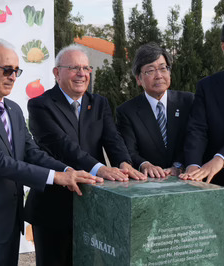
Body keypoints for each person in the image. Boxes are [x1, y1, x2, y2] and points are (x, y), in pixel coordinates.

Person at [0, 39, 102, 266]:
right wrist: (56, 177)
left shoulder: (14, 109)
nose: (12, 77)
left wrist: (68, 170)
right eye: (7, 70)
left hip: (12, 216)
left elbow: (32, 152)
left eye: (16, 71)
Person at [24, 44, 146, 266]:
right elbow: (63, 146)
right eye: (74, 68)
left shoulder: (98, 103)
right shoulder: (40, 105)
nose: (81, 74)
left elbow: (113, 138)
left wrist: (124, 162)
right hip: (53, 208)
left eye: (86, 68)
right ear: (56, 73)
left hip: (91, 207)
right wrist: (100, 168)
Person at [179, 14, 224, 265]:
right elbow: (197, 129)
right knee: (218, 258)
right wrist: (194, 165)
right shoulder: (207, 86)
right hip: (213, 190)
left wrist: (219, 159)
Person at [116, 43, 194, 178]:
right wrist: (145, 164)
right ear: (139, 79)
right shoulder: (127, 111)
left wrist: (178, 166)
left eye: (163, 68)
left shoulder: (188, 101)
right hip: (148, 183)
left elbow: (194, 139)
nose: (158, 75)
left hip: (185, 178)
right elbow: (129, 150)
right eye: (150, 71)